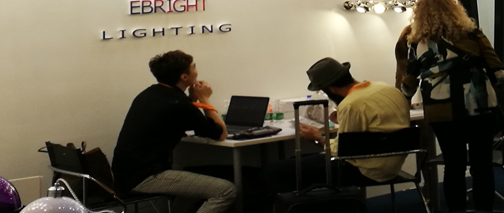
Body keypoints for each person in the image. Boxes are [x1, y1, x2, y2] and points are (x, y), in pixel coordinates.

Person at [403, 0, 504, 213]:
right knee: (482, 164)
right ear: (455, 10)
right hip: (480, 106)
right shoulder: (474, 34)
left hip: (442, 110)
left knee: (453, 164)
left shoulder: (416, 43)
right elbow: (498, 72)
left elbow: (408, 83)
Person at [112, 51, 238, 213]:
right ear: (184, 77)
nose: (197, 72)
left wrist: (192, 98)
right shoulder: (178, 103)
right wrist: (205, 99)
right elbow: (220, 133)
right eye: (193, 67)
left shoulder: (150, 93)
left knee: (194, 188)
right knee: (226, 190)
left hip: (126, 173)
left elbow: (181, 117)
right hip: (145, 177)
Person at [264, 57, 411, 193]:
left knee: (275, 170)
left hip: (366, 169)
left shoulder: (350, 104)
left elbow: (342, 150)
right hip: (392, 165)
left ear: (331, 89)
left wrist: (317, 138)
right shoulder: (387, 89)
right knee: (298, 161)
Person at [395, 0, 446, 91]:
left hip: (428, 92)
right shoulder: (463, 29)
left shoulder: (410, 32)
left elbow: (403, 70)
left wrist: (403, 96)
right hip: (464, 91)